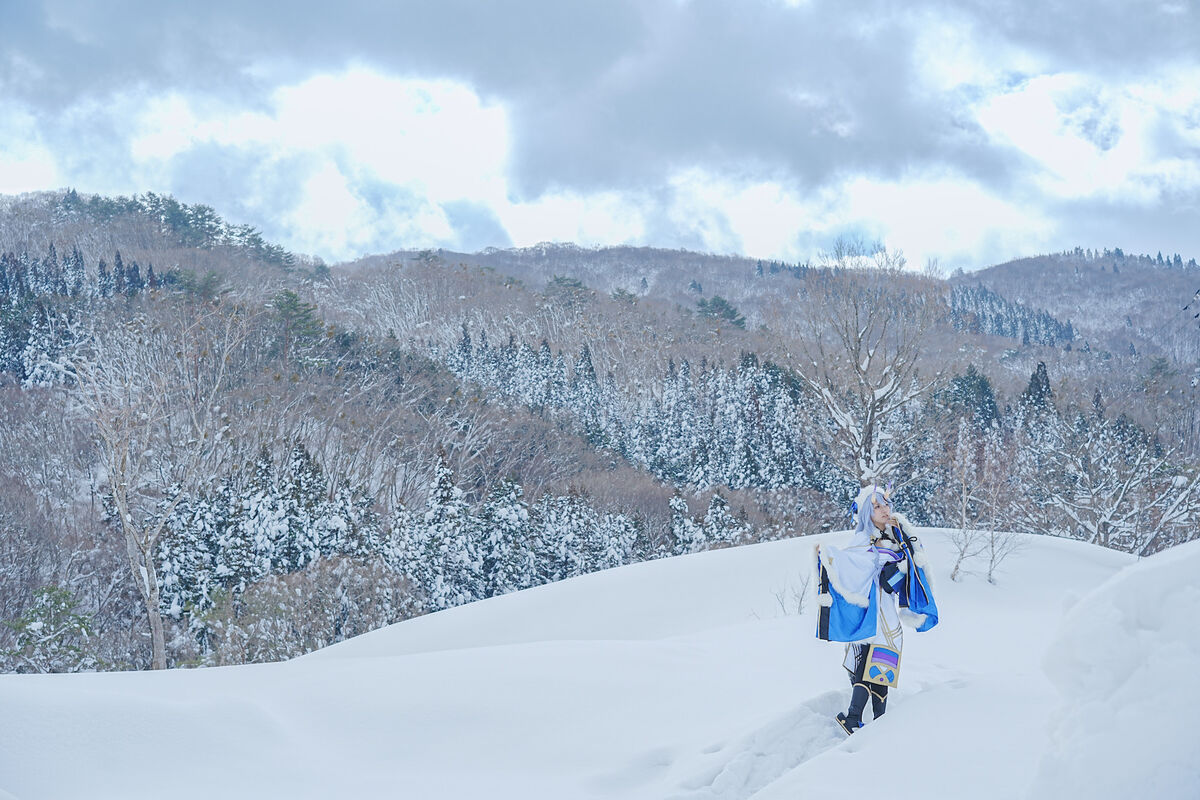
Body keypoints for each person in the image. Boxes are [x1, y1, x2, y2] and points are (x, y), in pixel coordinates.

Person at [815, 483, 939, 735]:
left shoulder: (897, 536)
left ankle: (879, 721)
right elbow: (851, 565)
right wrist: (828, 556)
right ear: (865, 514)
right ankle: (853, 717)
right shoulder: (862, 540)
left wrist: (901, 547)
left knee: (882, 664)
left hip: (887, 612)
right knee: (867, 664)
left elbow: (910, 568)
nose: (884, 510)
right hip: (871, 613)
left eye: (885, 504)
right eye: (876, 507)